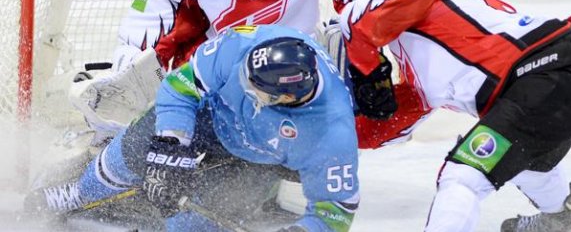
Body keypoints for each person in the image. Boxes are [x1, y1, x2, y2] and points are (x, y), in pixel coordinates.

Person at [69, 0, 395, 141]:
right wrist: (127, 72)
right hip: (220, 78)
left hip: (297, 73)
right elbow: (147, 11)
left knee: (342, 44)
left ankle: (307, 153)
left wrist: (366, 59)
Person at [337, 0, 571, 231]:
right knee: (520, 151)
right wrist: (328, 132)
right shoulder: (434, 51)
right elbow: (387, 122)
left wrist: (367, 74)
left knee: (462, 177)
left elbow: (359, 22)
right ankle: (560, 220)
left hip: (546, 80)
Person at [27, 25, 360, 232]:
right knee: (135, 148)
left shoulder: (333, 134)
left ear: (287, 97)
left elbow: (335, 212)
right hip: (210, 116)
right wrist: (170, 147)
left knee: (191, 224)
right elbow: (179, 87)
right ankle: (81, 192)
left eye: (256, 91)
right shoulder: (245, 46)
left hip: (260, 160)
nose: (244, 87)